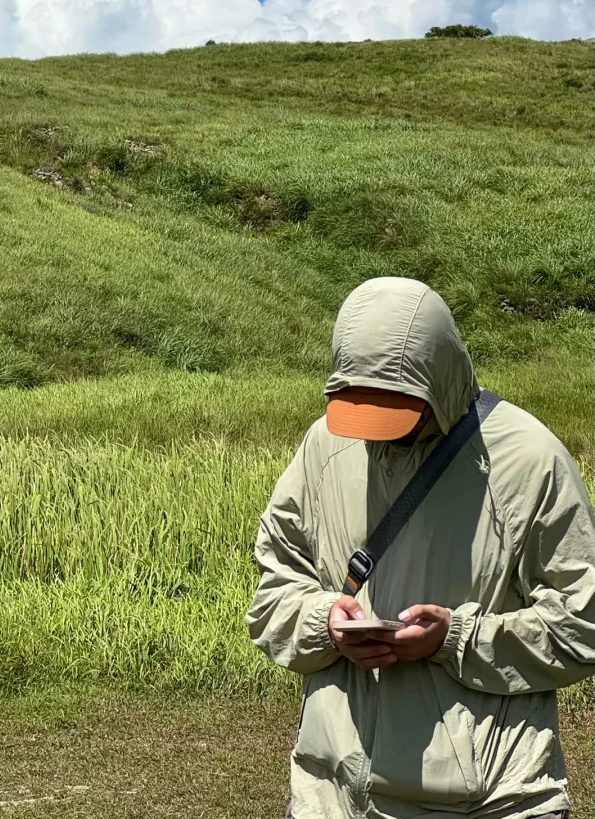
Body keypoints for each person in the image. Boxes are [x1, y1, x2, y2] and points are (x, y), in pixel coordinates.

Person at [246, 275, 595, 819]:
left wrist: (454, 638)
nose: (377, 431)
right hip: (331, 797)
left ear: (441, 378)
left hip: (490, 803)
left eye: (400, 411)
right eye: (363, 408)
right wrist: (325, 624)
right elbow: (273, 593)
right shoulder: (325, 444)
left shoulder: (529, 462)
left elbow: (583, 625)